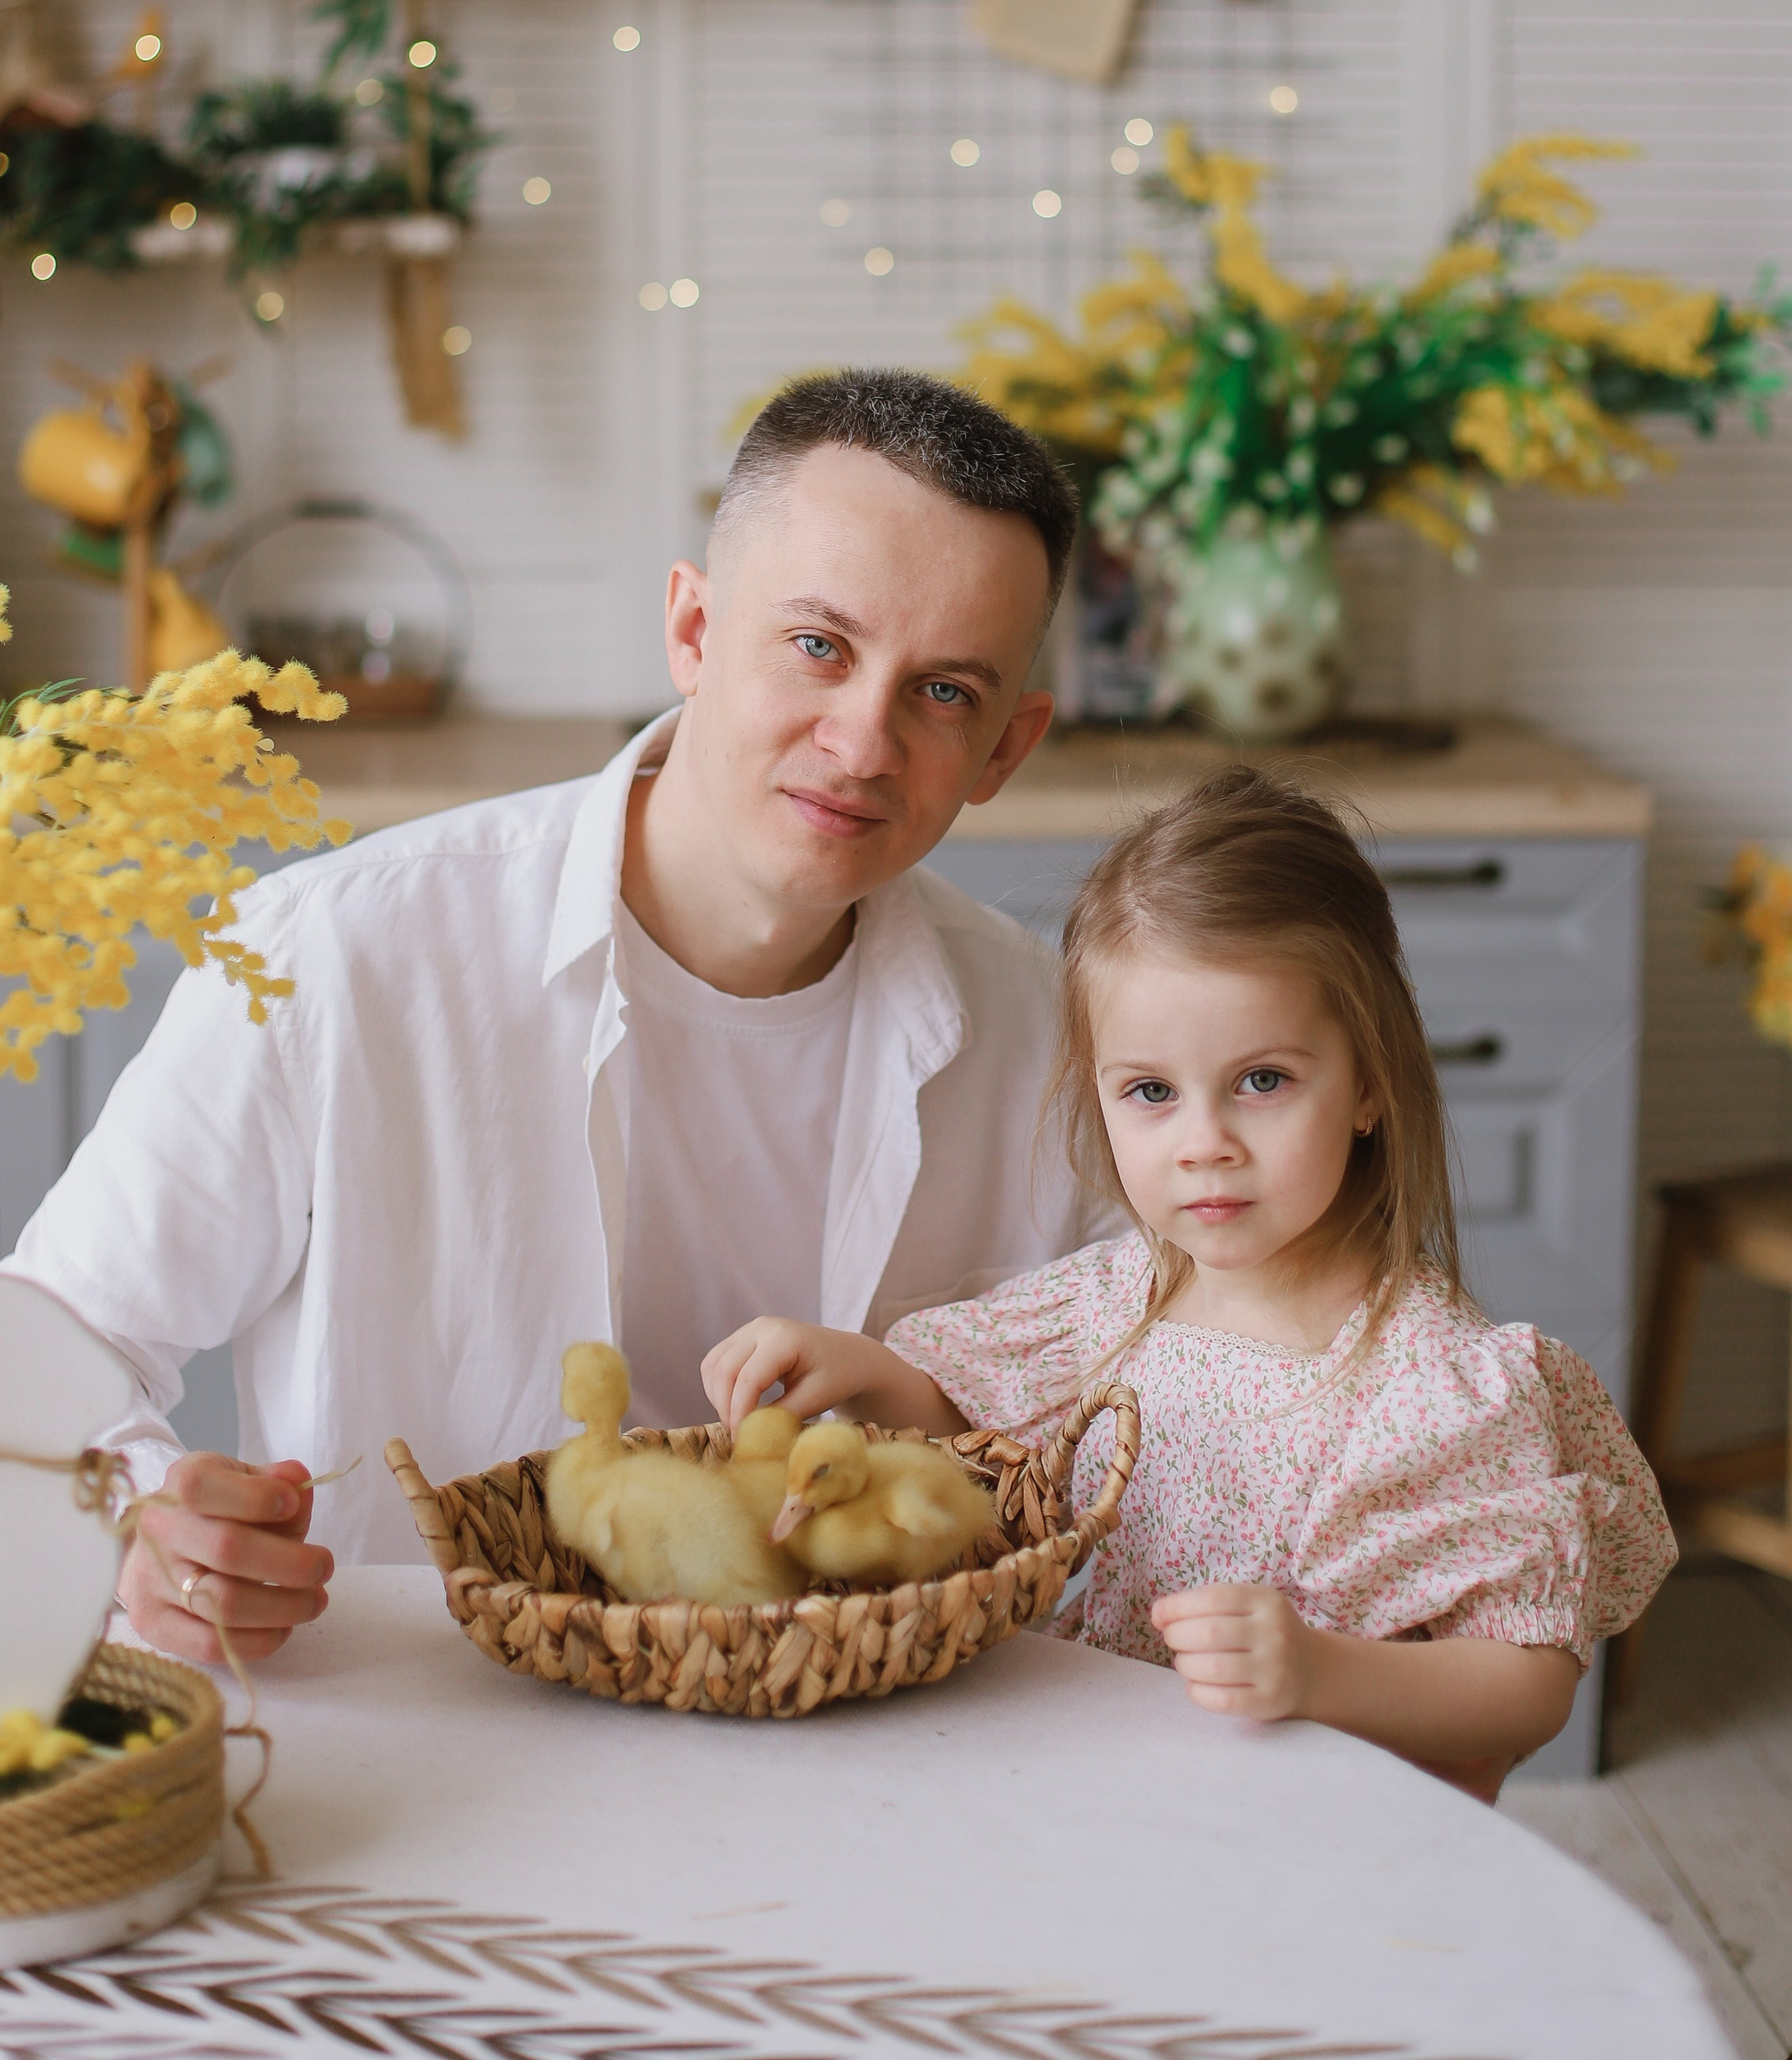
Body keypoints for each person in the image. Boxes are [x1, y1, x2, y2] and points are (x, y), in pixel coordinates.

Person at [3, 370, 1108, 1667]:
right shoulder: (331, 955)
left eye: (946, 693)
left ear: (1007, 748)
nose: (863, 741)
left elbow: (1176, 1380)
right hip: (426, 1725)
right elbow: (48, 1338)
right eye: (819, 645)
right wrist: (137, 1527)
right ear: (694, 630)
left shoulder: (1058, 1043)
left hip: (899, 1735)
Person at [704, 769, 1677, 1803]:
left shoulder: (1431, 1385)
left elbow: (1528, 1686)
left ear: (1370, 1082)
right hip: (1127, 1800)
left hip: (1320, 1831)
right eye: (1152, 1091)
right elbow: (982, 1446)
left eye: (1262, 1080)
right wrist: (865, 1372)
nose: (1204, 1142)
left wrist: (1319, 1672)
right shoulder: (1117, 1303)